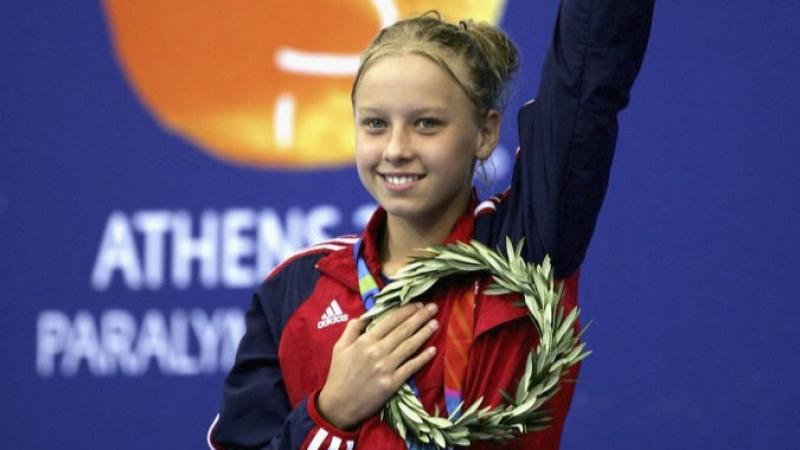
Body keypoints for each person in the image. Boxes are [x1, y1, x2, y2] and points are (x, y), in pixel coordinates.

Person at [208, 1, 654, 449]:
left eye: (426, 123)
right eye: (376, 124)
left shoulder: (526, 246)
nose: (396, 148)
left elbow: (587, 83)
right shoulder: (296, 291)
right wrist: (331, 413)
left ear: (485, 133)